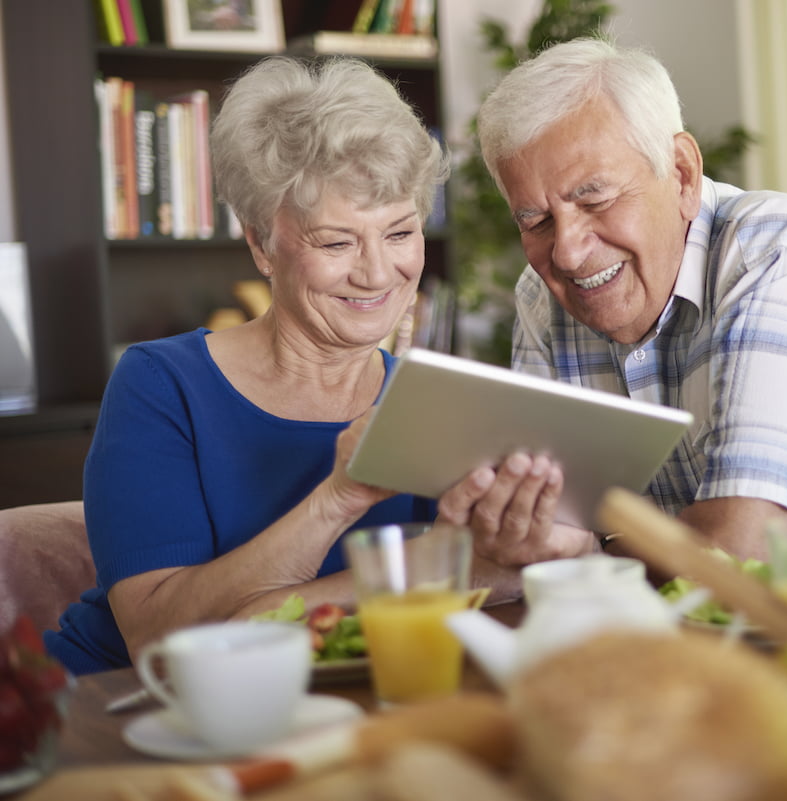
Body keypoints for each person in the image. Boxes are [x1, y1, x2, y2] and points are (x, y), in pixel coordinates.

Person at [443, 36, 787, 605]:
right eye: (535, 221)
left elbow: (748, 548)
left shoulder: (776, 249)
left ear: (682, 174)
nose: (566, 252)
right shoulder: (542, 297)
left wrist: (590, 552)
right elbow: (538, 542)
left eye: (595, 200)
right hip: (727, 655)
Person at [44, 56, 539, 675]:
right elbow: (156, 639)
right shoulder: (161, 385)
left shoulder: (434, 399)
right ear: (260, 243)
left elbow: (475, 579)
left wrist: (282, 604)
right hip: (122, 711)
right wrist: (339, 502)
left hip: (337, 706)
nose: (378, 273)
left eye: (400, 232)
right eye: (336, 242)